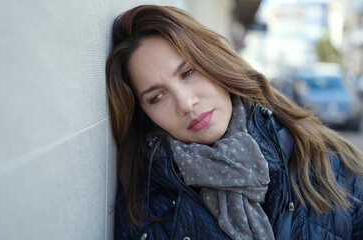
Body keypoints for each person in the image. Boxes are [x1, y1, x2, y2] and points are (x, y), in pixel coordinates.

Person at [106, 5, 363, 240]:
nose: (186, 103)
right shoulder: (142, 208)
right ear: (144, 113)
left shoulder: (328, 162)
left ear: (214, 62)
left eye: (188, 72)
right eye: (157, 96)